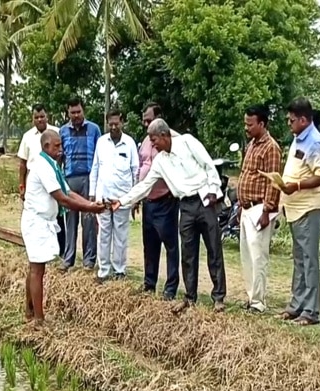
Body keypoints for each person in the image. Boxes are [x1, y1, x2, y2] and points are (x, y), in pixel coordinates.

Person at [110, 119, 226, 313]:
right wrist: (122, 201)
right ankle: (190, 297)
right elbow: (144, 185)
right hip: (185, 205)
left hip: (205, 199)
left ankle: (218, 298)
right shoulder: (160, 161)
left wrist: (213, 190)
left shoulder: (187, 142)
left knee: (214, 249)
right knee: (188, 252)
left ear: (164, 135)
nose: (152, 145)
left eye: (154, 140)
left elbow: (208, 165)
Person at [21, 130, 105, 322]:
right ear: (46, 147)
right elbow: (63, 200)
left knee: (35, 267)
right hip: (36, 223)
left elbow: (68, 191)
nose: (61, 149)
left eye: (61, 145)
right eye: (57, 146)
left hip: (42, 223)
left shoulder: (53, 166)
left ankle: (30, 312)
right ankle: (38, 320)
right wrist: (90, 208)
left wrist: (90, 205)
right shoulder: (42, 166)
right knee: (37, 270)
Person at [278, 98, 320, 325]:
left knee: (309, 259)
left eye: (291, 120)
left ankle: (311, 311)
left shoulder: (315, 142)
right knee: (299, 258)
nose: (289, 124)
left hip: (310, 207)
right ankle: (297, 304)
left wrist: (296, 186)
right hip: (295, 208)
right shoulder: (298, 139)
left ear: (303, 119)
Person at [237, 104, 282, 313]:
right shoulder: (252, 144)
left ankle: (258, 302)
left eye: (250, 124)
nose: (246, 128)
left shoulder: (270, 147)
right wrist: (240, 206)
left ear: (261, 124)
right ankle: (251, 297)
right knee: (246, 256)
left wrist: (267, 211)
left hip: (259, 209)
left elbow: (274, 182)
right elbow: (247, 175)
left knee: (258, 257)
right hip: (246, 208)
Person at [89, 110, 139, 281]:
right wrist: (92, 194)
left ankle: (119, 270)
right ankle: (103, 270)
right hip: (103, 197)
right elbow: (95, 168)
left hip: (122, 198)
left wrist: (133, 198)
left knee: (120, 235)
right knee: (103, 234)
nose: (113, 126)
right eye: (110, 123)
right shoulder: (102, 142)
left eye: (116, 123)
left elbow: (135, 172)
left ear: (122, 122)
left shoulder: (129, 143)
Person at [138, 103, 180, 299]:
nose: (145, 123)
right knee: (150, 245)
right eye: (144, 120)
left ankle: (170, 289)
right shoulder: (145, 141)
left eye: (149, 119)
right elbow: (141, 167)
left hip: (165, 201)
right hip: (148, 201)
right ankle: (149, 283)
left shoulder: (175, 141)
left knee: (170, 246)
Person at [60, 96, 102, 270]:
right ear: (68, 113)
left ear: (83, 110)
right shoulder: (62, 131)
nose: (76, 115)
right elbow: (59, 156)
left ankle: (89, 260)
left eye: (78, 111)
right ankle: (68, 259)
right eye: (72, 112)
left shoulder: (94, 129)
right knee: (70, 221)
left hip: (89, 178)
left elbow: (100, 156)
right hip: (69, 179)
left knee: (89, 220)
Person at [16, 105, 64, 255]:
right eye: (36, 117)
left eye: (42, 116)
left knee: (56, 213)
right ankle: (36, 248)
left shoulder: (56, 132)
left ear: (47, 116)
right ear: (33, 119)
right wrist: (22, 184)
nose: (39, 119)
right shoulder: (28, 136)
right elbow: (23, 163)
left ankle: (60, 250)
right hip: (34, 180)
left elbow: (61, 156)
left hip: (52, 176)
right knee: (37, 212)